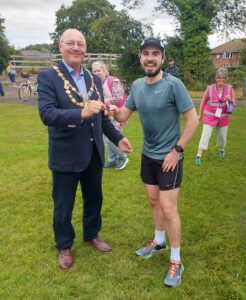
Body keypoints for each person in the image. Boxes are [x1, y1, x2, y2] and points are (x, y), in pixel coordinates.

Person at [106, 37, 199, 287]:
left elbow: (193, 120)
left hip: (170, 158)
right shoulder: (136, 85)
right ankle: (158, 242)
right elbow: (124, 114)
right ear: (140, 58)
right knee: (153, 201)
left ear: (161, 58)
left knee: (169, 209)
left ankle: (176, 260)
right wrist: (112, 110)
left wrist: (176, 151)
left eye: (155, 54)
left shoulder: (174, 85)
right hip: (148, 155)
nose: (150, 58)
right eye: (146, 53)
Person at [37, 29, 132, 271]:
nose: (76, 48)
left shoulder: (93, 78)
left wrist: (118, 138)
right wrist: (80, 112)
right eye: (71, 43)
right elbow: (47, 114)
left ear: (86, 49)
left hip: (93, 153)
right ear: (61, 46)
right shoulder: (48, 77)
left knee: (94, 198)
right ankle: (64, 245)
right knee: (63, 204)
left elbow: (100, 116)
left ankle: (92, 234)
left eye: (81, 44)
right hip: (65, 154)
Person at [92, 61, 129, 170]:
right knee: (104, 137)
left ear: (104, 70)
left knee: (110, 137)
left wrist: (103, 102)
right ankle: (112, 160)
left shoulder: (114, 81)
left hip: (116, 113)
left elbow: (119, 98)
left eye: (99, 70)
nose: (96, 73)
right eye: (94, 71)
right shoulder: (95, 83)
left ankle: (123, 157)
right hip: (103, 113)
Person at [195, 67, 235, 165]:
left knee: (222, 136)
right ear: (216, 78)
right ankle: (199, 155)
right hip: (210, 117)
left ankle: (221, 149)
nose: (220, 79)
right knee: (205, 135)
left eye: (223, 78)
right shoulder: (209, 89)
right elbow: (203, 102)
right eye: (219, 77)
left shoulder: (229, 88)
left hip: (223, 117)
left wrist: (230, 100)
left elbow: (233, 103)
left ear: (226, 79)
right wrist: (200, 115)